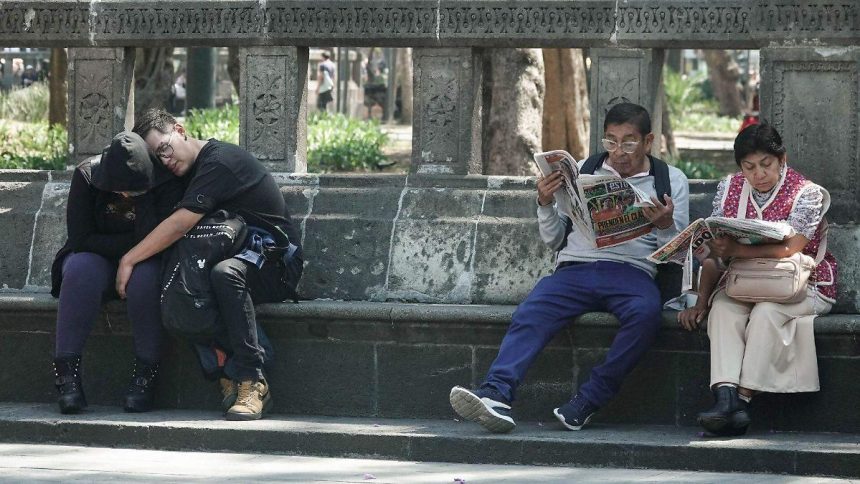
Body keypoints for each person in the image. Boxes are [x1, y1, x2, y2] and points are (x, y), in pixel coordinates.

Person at [450, 103, 690, 432]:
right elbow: (553, 240)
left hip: (631, 273)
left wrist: (663, 225)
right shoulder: (582, 171)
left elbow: (677, 254)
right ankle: (496, 393)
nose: (619, 151)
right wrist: (545, 203)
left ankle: (588, 401)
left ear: (648, 141)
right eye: (611, 141)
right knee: (533, 310)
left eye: (629, 142)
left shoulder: (670, 180)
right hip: (575, 269)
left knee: (646, 315)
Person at [124, 108, 303, 421]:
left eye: (165, 148)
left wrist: (129, 259)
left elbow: (181, 223)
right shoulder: (184, 174)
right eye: (158, 158)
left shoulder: (219, 162)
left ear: (180, 130)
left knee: (224, 274)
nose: (165, 160)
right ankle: (227, 369)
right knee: (182, 282)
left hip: (274, 261)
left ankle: (252, 378)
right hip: (233, 255)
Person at [678, 123, 837, 436]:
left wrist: (738, 249)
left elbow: (792, 247)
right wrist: (702, 298)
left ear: (782, 159)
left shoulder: (807, 193)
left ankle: (740, 401)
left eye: (766, 164)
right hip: (745, 281)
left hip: (800, 284)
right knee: (723, 309)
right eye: (749, 167)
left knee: (766, 313)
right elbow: (715, 256)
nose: (759, 174)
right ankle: (725, 397)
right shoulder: (730, 188)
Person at [51, 131, 183, 414]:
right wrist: (129, 251)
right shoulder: (87, 175)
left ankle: (145, 375)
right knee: (79, 269)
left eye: (132, 191)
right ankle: (67, 377)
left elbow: (163, 237)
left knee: (145, 279)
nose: (125, 196)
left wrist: (134, 254)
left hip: (148, 259)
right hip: (94, 255)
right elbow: (81, 239)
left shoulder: (166, 179)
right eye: (121, 190)